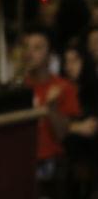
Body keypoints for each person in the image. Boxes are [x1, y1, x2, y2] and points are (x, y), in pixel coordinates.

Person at [23, 27, 82, 199]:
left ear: (50, 54)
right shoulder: (19, 89)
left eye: (38, 47)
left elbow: (63, 134)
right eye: (27, 47)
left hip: (50, 164)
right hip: (21, 161)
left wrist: (51, 108)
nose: (30, 53)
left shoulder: (63, 87)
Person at [61, 42, 98, 198]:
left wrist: (69, 127)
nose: (69, 66)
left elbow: (91, 128)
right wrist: (74, 127)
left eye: (75, 61)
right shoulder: (60, 89)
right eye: (66, 61)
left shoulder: (93, 91)